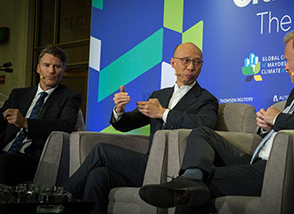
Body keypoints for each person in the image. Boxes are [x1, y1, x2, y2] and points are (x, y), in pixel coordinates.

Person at [139, 28, 294, 213]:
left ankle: (188, 182)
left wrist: (279, 119)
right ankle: (191, 176)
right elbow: (287, 125)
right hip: (257, 159)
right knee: (202, 133)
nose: (286, 67)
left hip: (277, 168)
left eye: (287, 60)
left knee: (195, 187)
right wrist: (267, 127)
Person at [63, 42, 219, 213]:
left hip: (175, 165)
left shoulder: (206, 99)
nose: (191, 67)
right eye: (186, 61)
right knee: (98, 175)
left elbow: (206, 124)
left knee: (101, 150)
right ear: (173, 63)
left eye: (197, 62)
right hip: (148, 164)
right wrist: (119, 110)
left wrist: (163, 113)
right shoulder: (159, 95)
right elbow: (128, 124)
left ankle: (63, 196)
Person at [0, 46, 81, 185]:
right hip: (4, 149)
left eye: (57, 66)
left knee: (4, 161)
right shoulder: (18, 94)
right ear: (38, 68)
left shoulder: (70, 97)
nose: (51, 71)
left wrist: (26, 122)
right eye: (47, 65)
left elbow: (66, 125)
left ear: (64, 71)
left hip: (32, 156)